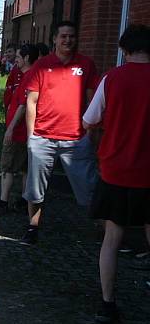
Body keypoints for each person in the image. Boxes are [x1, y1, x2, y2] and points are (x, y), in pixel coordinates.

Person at [83, 24, 150, 324]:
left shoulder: (112, 78)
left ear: (124, 49)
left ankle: (107, 304)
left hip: (116, 169)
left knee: (112, 237)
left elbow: (90, 120)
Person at [20, 21, 99, 245]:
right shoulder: (42, 65)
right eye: (63, 36)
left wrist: (90, 130)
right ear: (54, 39)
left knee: (89, 188)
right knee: (35, 189)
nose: (67, 40)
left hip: (76, 138)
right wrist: (31, 136)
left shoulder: (86, 64)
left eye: (71, 36)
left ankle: (104, 230)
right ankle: (32, 227)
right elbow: (32, 101)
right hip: (43, 137)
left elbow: (94, 99)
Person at [0, 44, 40, 215]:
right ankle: (23, 201)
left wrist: (10, 128)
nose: (16, 60)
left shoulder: (29, 77)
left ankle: (3, 202)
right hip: (27, 133)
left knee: (8, 167)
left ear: (26, 58)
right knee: (25, 167)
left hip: (19, 131)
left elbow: (23, 105)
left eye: (18, 57)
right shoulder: (33, 75)